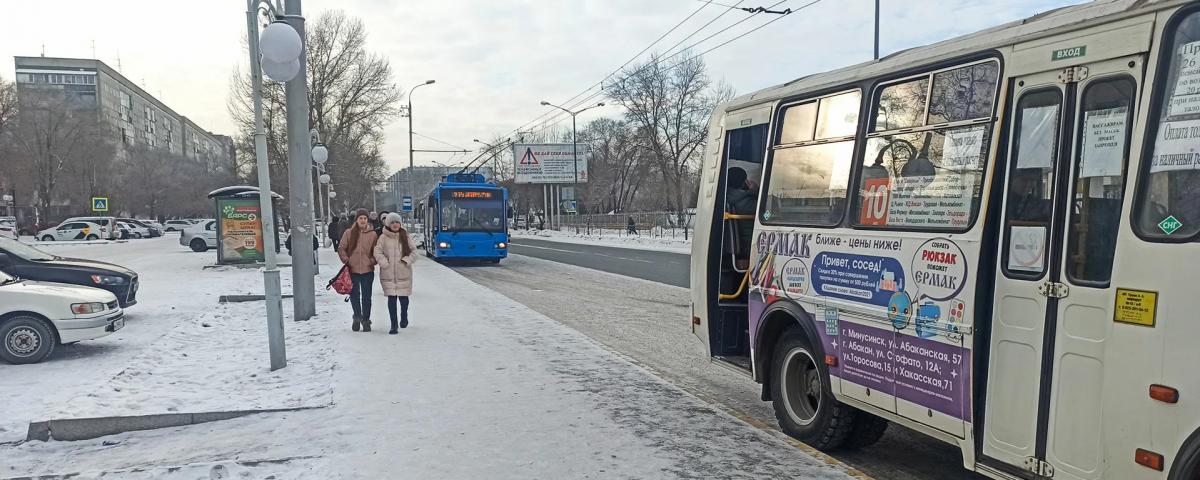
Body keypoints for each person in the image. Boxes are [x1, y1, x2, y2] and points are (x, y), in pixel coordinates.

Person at [373, 212, 417, 335]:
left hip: (404, 272)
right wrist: (384, 263)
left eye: (397, 222)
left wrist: (406, 260)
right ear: (388, 224)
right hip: (388, 273)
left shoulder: (405, 235)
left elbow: (414, 252)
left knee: (404, 298)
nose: (395, 224)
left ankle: (404, 316)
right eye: (392, 222)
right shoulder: (383, 237)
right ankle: (394, 325)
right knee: (391, 298)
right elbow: (377, 252)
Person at [338, 208, 379, 332]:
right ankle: (357, 316)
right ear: (356, 220)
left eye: (365, 218)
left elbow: (376, 251)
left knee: (367, 297)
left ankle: (366, 320)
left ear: (368, 220)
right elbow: (341, 248)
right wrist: (346, 260)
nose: (362, 220)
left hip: (367, 270)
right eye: (360, 218)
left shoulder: (372, 234)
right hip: (352, 269)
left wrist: (372, 261)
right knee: (354, 295)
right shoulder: (348, 233)